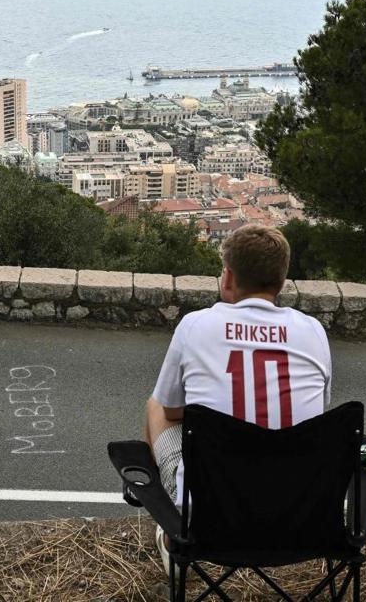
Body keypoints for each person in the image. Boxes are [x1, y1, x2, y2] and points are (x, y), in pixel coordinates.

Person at [146, 225, 332, 567]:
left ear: (227, 278)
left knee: (157, 404)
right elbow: (317, 417)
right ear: (281, 282)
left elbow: (172, 411)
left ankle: (174, 533)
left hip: (210, 517)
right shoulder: (313, 332)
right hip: (299, 516)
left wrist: (213, 413)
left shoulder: (195, 326)